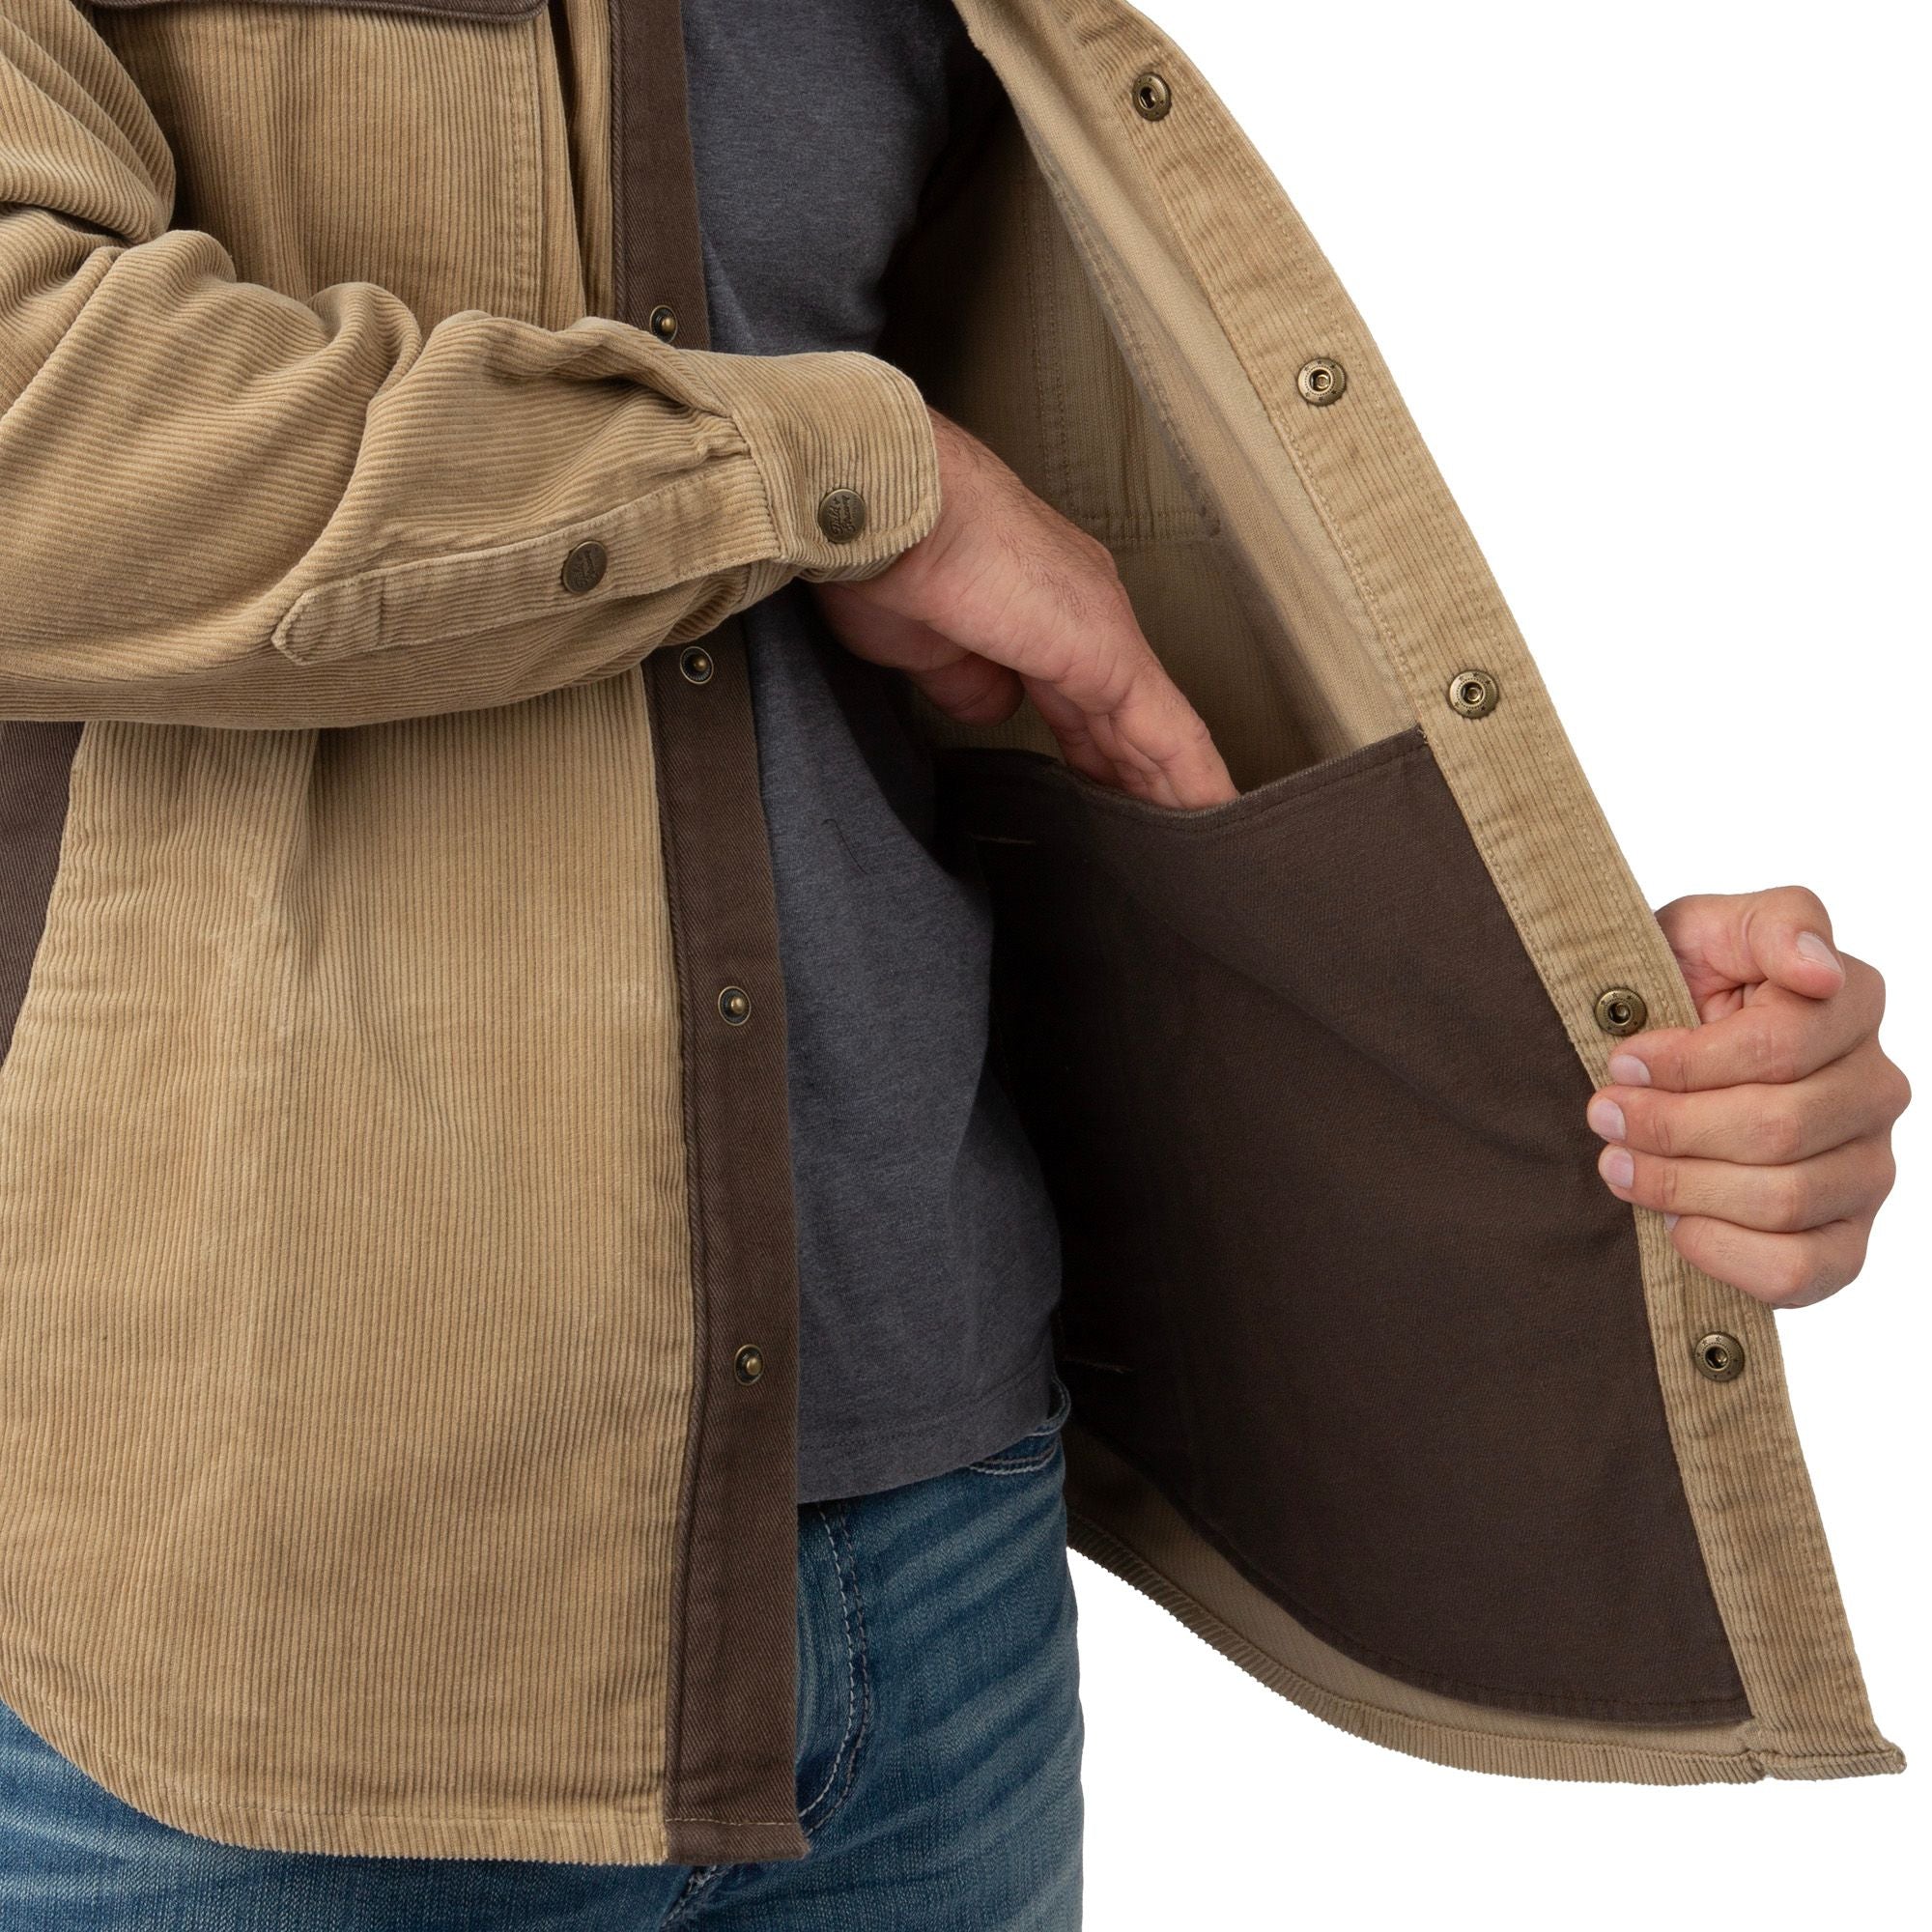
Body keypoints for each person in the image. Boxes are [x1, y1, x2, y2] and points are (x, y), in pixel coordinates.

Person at [0, 0, 1908, 1926]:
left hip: (935, 1565)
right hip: (259, 1609)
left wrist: (1598, 1058)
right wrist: (842, 470)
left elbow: (1072, 602)